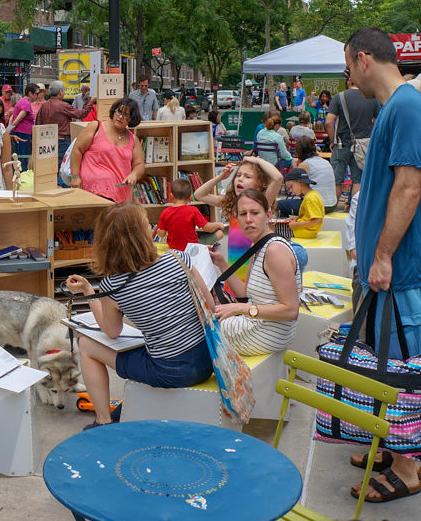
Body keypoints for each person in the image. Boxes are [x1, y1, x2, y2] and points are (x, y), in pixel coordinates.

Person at [345, 26, 421, 502]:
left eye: (348, 65)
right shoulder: (395, 108)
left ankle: (407, 466)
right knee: (386, 363)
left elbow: (408, 187)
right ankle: (390, 444)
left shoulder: (405, 107)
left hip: (399, 270)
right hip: (387, 270)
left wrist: (382, 255)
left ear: (364, 59)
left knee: (404, 366)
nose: (348, 76)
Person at [64, 204, 213, 427]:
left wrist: (89, 292)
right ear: (144, 234)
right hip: (207, 359)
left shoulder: (113, 286)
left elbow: (112, 332)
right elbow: (209, 307)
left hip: (170, 371)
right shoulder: (179, 259)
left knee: (86, 345)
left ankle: (103, 421)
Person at [208, 189, 300, 354]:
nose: (248, 219)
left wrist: (240, 309)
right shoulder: (258, 245)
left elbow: (291, 310)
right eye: (243, 214)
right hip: (260, 325)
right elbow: (244, 292)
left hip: (267, 334)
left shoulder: (274, 251)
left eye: (255, 213)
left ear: (268, 215)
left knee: (198, 332)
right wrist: (221, 263)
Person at [194, 156, 283, 289]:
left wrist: (257, 160)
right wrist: (220, 177)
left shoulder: (262, 203)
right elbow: (199, 194)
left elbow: (278, 178)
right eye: (238, 175)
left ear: (261, 184)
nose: (240, 178)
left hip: (254, 271)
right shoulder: (233, 204)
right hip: (234, 268)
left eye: (247, 176)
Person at [69, 98, 145, 203]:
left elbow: (139, 164)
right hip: (91, 192)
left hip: (120, 195)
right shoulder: (96, 126)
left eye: (126, 115)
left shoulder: (133, 139)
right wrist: (75, 177)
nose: (121, 117)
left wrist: (134, 175)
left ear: (131, 119)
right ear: (114, 111)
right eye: (119, 112)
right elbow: (77, 150)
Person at [328, 76, 379, 202]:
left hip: (341, 144)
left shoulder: (339, 97)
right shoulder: (372, 99)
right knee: (358, 180)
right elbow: (379, 122)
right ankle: (352, 210)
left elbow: (329, 121)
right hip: (362, 146)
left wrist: (331, 141)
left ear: (348, 82)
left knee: (337, 180)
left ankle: (333, 209)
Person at [36, 80, 90, 170]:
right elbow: (81, 114)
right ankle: (61, 184)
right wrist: (91, 102)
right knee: (63, 167)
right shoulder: (63, 105)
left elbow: (38, 123)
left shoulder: (44, 105)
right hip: (62, 140)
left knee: (50, 168)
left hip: (46, 141)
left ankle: (54, 183)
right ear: (60, 91)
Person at [157, 178, 223, 250]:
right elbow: (207, 228)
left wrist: (158, 231)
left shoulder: (165, 212)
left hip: (174, 248)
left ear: (171, 196)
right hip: (192, 247)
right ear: (190, 197)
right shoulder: (193, 210)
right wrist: (218, 224)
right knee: (220, 233)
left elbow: (161, 234)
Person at [291, 136, 337, 211]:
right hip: (332, 204)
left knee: (281, 205)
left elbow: (297, 191)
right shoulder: (326, 162)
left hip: (316, 206)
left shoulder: (305, 165)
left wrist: (295, 168)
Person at [280, 169, 324, 240]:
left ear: (300, 183)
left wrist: (296, 224)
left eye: (291, 186)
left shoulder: (311, 198)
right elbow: (307, 216)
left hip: (303, 231)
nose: (291, 190)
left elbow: (318, 220)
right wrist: (296, 218)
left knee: (272, 231)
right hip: (304, 230)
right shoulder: (311, 195)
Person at [7, 83, 43, 169]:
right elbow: (16, 120)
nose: (38, 96)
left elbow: (13, 118)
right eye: (36, 93)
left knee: (19, 157)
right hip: (22, 135)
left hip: (21, 133)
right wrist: (7, 131)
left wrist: (8, 130)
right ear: (30, 93)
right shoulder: (26, 103)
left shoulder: (22, 101)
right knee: (23, 158)